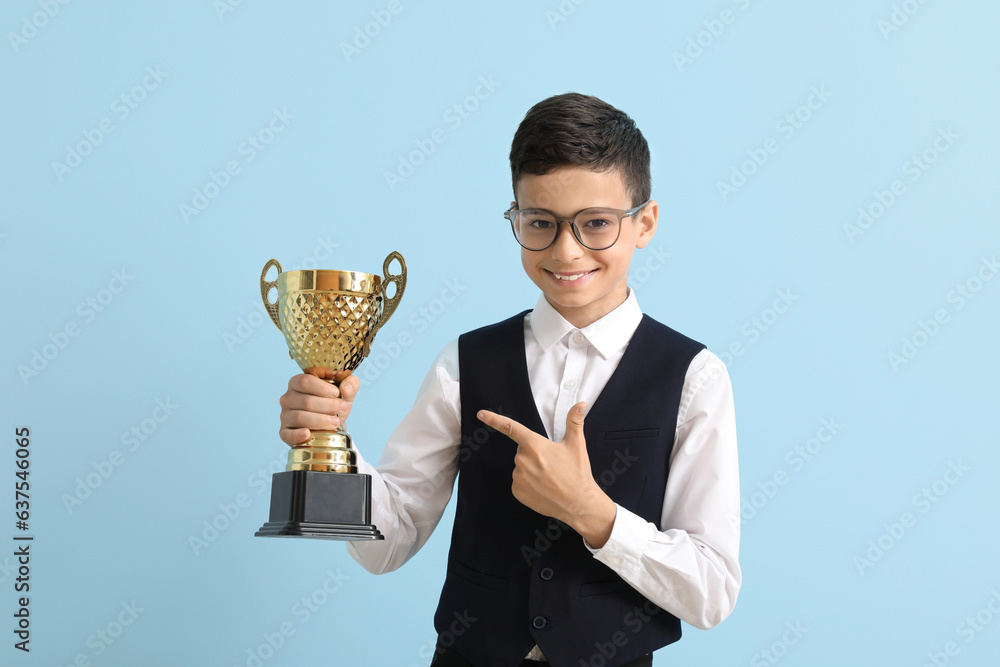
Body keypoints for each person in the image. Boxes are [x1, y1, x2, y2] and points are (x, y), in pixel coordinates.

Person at [278, 93, 740, 667]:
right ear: (516, 217)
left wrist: (594, 514)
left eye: (595, 223)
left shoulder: (694, 377)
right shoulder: (464, 363)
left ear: (643, 222)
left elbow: (713, 592)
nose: (566, 250)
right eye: (540, 223)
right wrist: (328, 451)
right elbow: (387, 545)